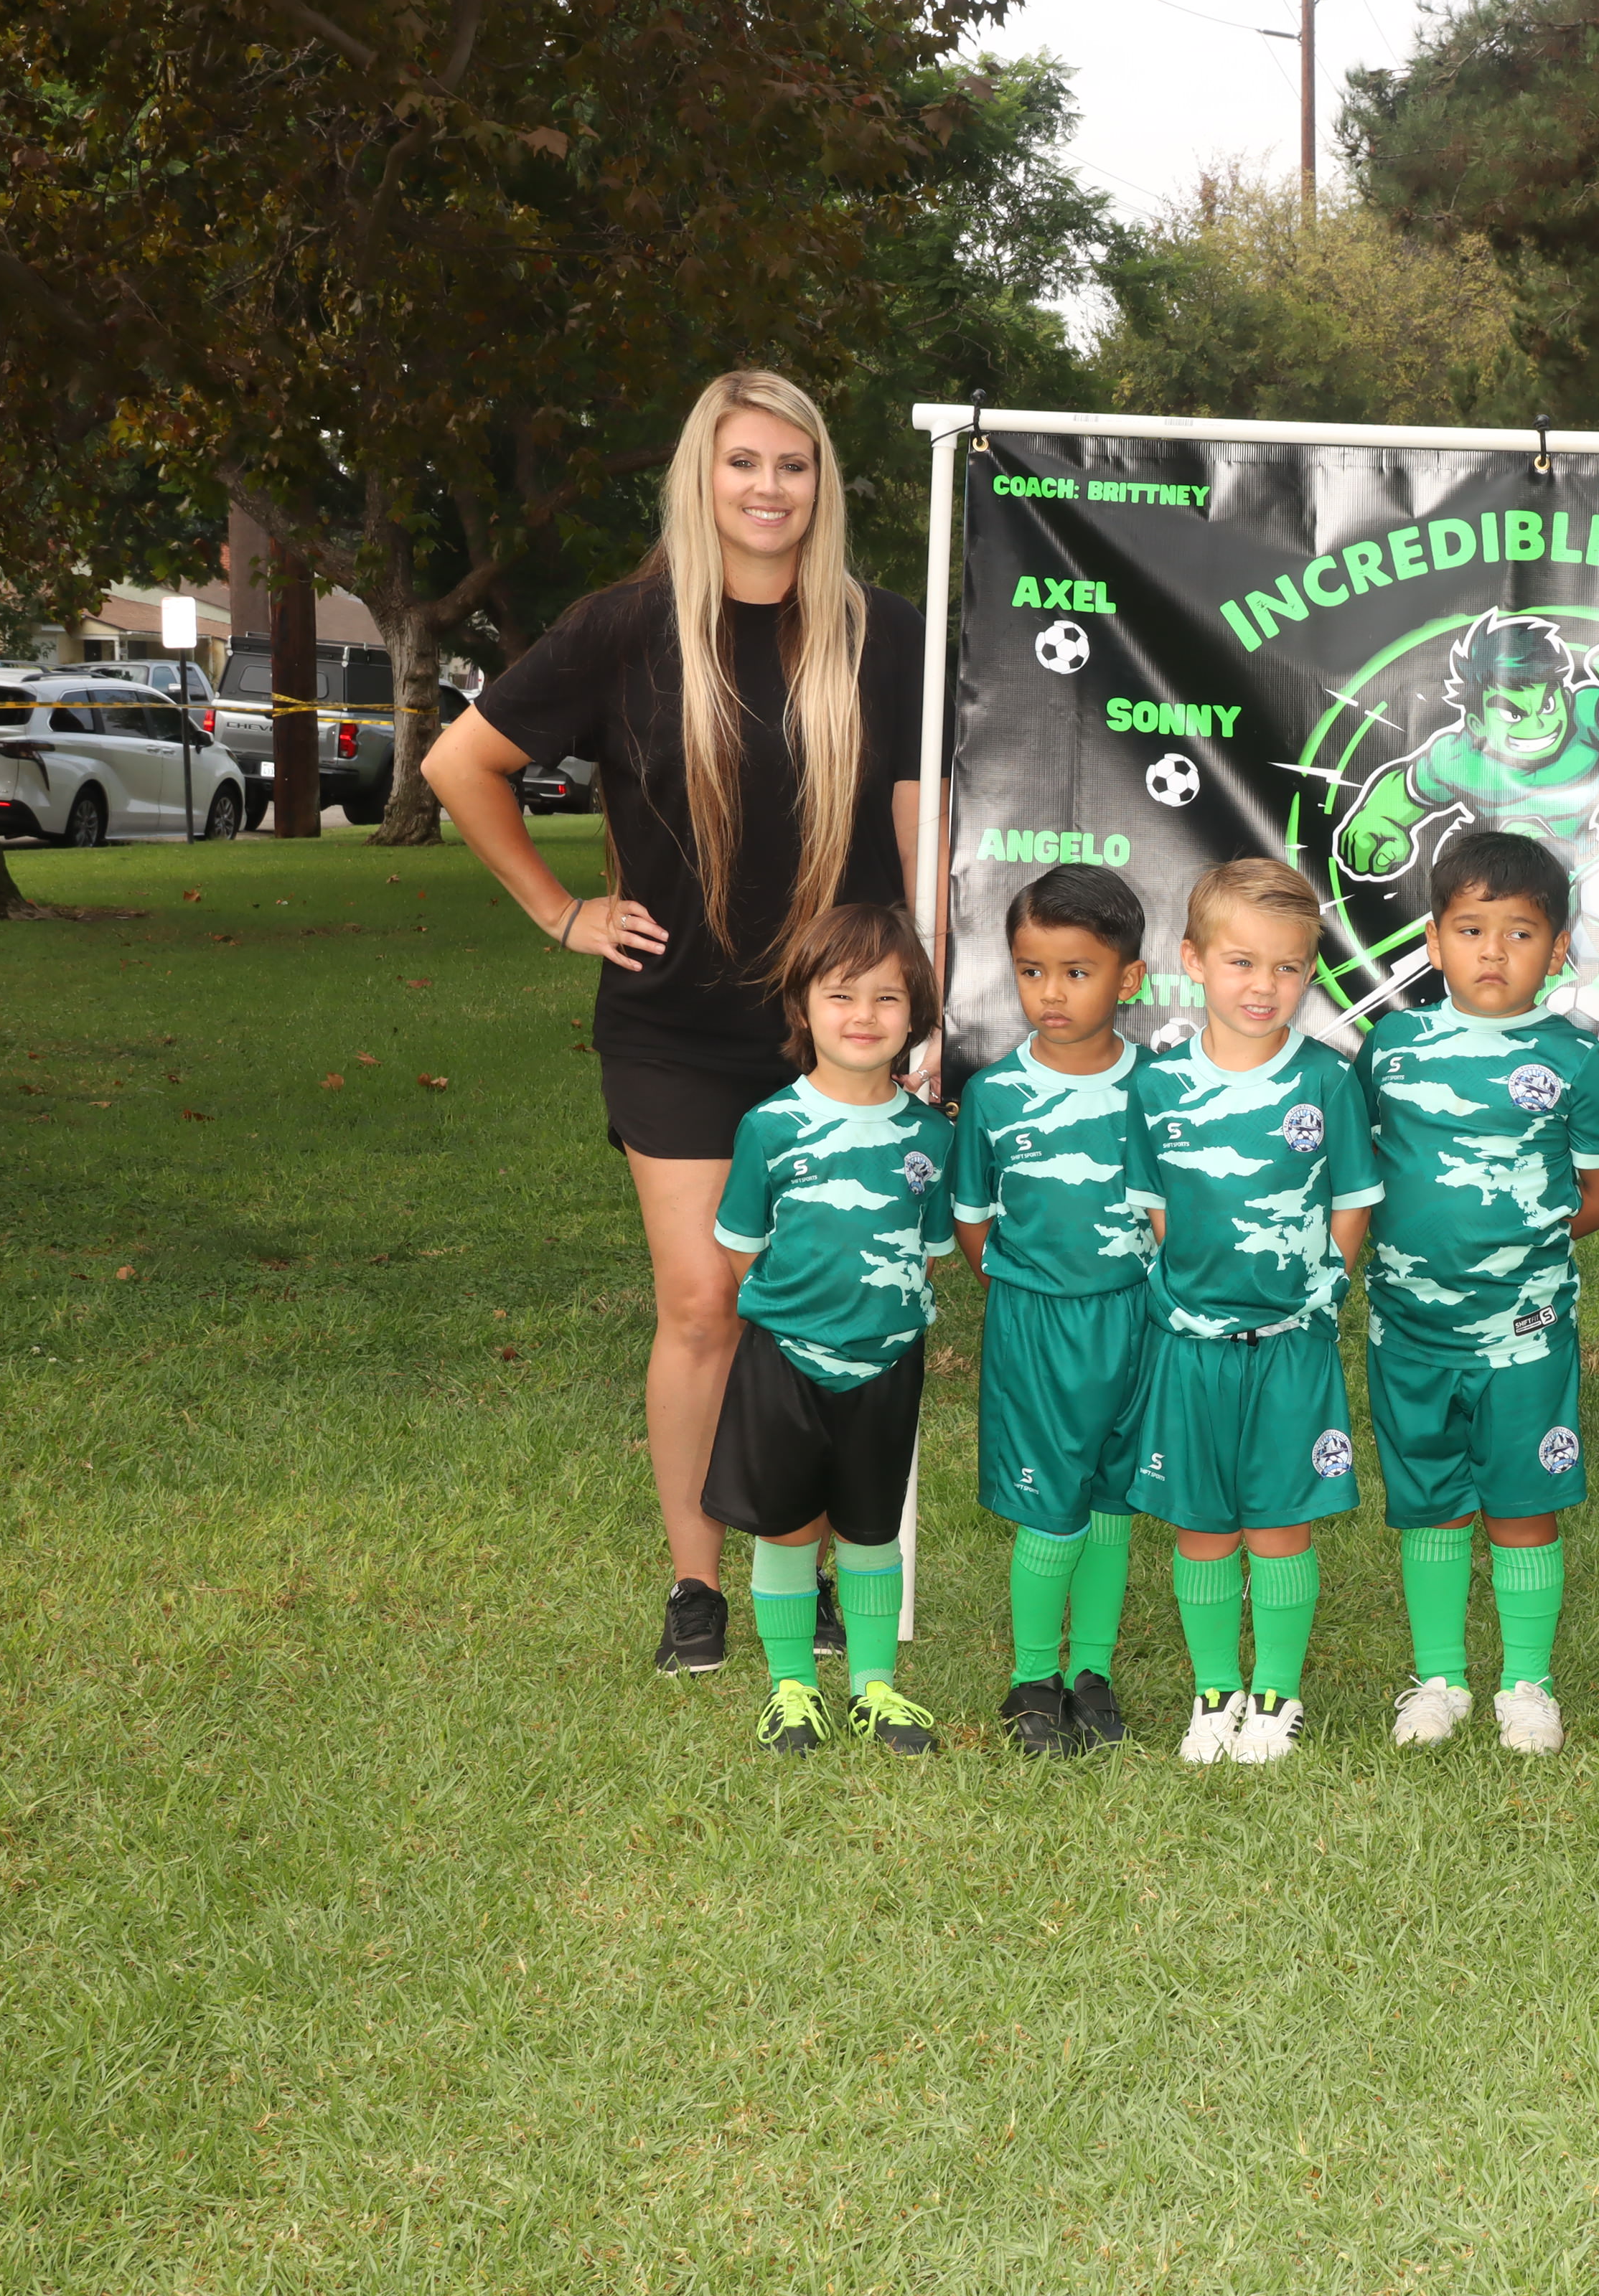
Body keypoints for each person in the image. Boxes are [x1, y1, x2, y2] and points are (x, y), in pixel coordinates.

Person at [425, 371, 934, 1679]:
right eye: (743, 462)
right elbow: (459, 763)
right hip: (675, 1026)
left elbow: (916, 834)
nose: (769, 488)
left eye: (794, 465)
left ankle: (808, 1570)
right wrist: (562, 912)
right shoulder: (624, 628)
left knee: (822, 1305)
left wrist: (927, 1013)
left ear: (822, 484)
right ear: (701, 478)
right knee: (707, 1301)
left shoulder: (885, 632)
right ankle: (696, 1584)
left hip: (843, 1033)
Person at [1355, 832, 1599, 1755]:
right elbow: (1356, 1172)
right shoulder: (1390, 1047)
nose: (1493, 951)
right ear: (1433, 940)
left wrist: (1531, 1240)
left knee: (1522, 1501)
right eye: (1471, 929)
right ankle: (1438, 1680)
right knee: (1431, 1502)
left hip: (1526, 1330)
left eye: (1520, 933)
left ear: (1556, 952)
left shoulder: (1574, 1058)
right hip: (1409, 1328)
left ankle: (1528, 1684)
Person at [1122, 860, 1382, 1765]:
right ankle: (1213, 1690)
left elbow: (1353, 1198)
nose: (1264, 985)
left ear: (1310, 971)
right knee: (1202, 1523)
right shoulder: (1157, 1086)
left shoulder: (1328, 1081)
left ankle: (1275, 1689)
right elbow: (1156, 1205)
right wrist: (1187, 1290)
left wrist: (1325, 1286)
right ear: (1193, 961)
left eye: (1287, 966)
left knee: (1278, 1519)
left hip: (1288, 1344)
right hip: (1191, 1345)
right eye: (1241, 962)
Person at [702, 905, 960, 1756]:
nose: (863, 1015)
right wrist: (796, 1318)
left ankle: (873, 1687)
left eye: (887, 997)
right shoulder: (771, 1126)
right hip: (785, 1360)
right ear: (802, 1008)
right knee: (785, 1524)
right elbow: (741, 1248)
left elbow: (927, 1253)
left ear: (916, 1015)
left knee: (872, 1527)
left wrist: (876, 1319)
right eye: (841, 994)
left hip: (886, 1363)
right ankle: (792, 1687)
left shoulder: (931, 1135)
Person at [949, 864, 1155, 1758]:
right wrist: (1027, 1292)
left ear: (1130, 977)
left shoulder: (1163, 1088)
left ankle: (1092, 1672)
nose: (1052, 992)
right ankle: (1033, 1677)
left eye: (1077, 971)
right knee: (1051, 1507)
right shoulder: (994, 1095)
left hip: (1139, 1322)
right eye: (1032, 971)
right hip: (1037, 1327)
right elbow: (972, 1220)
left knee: (1111, 1500)